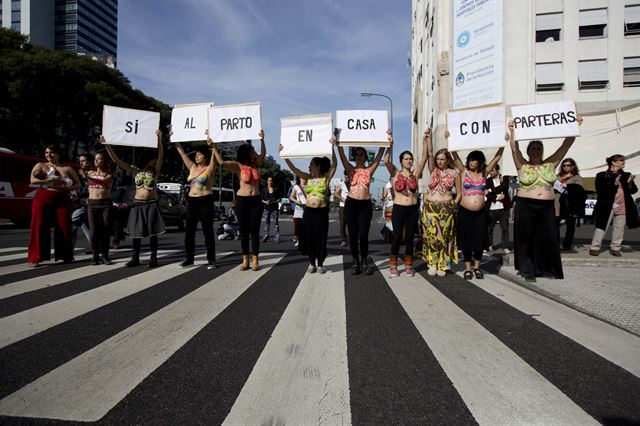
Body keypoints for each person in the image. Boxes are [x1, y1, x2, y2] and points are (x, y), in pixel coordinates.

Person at [508, 115, 583, 282]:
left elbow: (566, 145)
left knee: (548, 236)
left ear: (542, 151)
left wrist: (574, 125)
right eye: (533, 149)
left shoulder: (550, 164)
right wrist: (512, 131)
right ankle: (527, 269)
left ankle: (544, 267)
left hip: (547, 206)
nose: (535, 151)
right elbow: (514, 149)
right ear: (528, 152)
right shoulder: (522, 165)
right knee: (525, 238)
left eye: (538, 149)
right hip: (525, 205)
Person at [102, 130, 165, 268]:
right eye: (153, 159)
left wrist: (159, 140)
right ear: (148, 159)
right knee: (136, 233)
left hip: (151, 204)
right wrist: (107, 145)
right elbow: (116, 160)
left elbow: (161, 155)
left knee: (153, 233)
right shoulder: (136, 171)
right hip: (137, 204)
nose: (155, 161)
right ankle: (135, 257)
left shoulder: (155, 172)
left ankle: (153, 257)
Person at [450, 133, 505, 279]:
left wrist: (503, 142)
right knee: (467, 242)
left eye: (473, 160)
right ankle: (467, 268)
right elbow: (455, 158)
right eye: (469, 159)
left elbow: (497, 158)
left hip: (480, 213)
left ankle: (477, 267)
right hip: (464, 212)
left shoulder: (484, 172)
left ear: (479, 161)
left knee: (479, 240)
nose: (470, 162)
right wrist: (450, 139)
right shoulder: (463, 172)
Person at [212, 131, 266, 271]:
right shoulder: (238, 165)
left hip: (256, 200)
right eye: (253, 150)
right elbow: (222, 163)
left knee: (254, 230)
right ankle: (245, 260)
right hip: (242, 200)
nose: (255, 152)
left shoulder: (256, 164)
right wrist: (214, 147)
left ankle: (255, 260)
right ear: (247, 152)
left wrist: (262, 140)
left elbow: (263, 155)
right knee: (243, 231)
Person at [283, 140, 338, 273]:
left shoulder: (325, 178)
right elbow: (294, 169)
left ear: (318, 166)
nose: (309, 167)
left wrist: (332, 148)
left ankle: (320, 263)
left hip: (321, 213)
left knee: (321, 238)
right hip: (308, 212)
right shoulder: (307, 178)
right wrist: (285, 156)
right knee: (309, 238)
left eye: (311, 165)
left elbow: (335, 165)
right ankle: (312, 262)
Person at [337, 134, 386, 275]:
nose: (359, 156)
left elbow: (379, 155)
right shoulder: (350, 169)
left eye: (361, 154)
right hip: (351, 204)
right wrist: (338, 142)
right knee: (352, 235)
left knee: (363, 235)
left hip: (365, 206)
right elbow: (341, 155)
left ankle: (364, 262)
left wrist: (385, 140)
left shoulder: (369, 170)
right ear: (354, 156)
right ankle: (355, 262)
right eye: (357, 154)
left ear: (365, 156)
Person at [383, 129, 429, 277]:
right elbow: (386, 161)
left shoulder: (415, 174)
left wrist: (425, 140)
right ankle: (394, 265)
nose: (409, 161)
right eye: (406, 159)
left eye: (410, 159)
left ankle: (409, 265)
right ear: (401, 161)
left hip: (412, 210)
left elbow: (424, 158)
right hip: (399, 209)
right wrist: (390, 144)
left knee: (410, 238)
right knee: (397, 238)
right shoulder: (395, 173)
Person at [27, 145, 80, 266]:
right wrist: (50, 180)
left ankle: (65, 255)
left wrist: (67, 187)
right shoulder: (40, 165)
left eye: (51, 152)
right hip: (43, 198)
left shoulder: (68, 168)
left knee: (64, 226)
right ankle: (35, 257)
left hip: (62, 199)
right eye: (46, 152)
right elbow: (33, 181)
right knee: (38, 226)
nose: (48, 155)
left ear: (58, 154)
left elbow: (78, 184)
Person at [421, 131, 461, 276]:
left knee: (444, 236)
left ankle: (442, 264)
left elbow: (460, 193)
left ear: (447, 159)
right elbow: (430, 154)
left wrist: (453, 205)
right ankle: (431, 262)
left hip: (446, 208)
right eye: (438, 159)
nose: (439, 161)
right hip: (430, 207)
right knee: (431, 236)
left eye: (442, 159)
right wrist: (429, 138)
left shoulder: (455, 173)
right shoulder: (433, 170)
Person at [175, 135, 217, 269]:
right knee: (189, 231)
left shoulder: (210, 168)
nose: (197, 156)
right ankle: (189, 257)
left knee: (208, 231)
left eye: (199, 155)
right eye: (196, 155)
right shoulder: (192, 167)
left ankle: (211, 259)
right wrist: (175, 139)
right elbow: (181, 153)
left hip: (206, 200)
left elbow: (215, 157)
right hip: (192, 201)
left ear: (205, 156)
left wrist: (213, 146)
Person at [589, 155, 638, 256]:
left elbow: (634, 191)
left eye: (623, 161)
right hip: (606, 205)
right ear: (613, 162)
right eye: (621, 161)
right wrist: (614, 183)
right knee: (602, 226)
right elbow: (600, 190)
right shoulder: (602, 175)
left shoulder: (626, 175)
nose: (623, 162)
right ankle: (595, 247)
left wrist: (630, 184)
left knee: (619, 228)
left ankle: (615, 248)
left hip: (623, 204)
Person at [86, 152, 115, 265]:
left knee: (105, 230)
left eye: (100, 158)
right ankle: (95, 255)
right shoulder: (90, 172)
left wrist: (88, 177)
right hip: (93, 203)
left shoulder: (109, 174)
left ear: (104, 161)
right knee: (93, 232)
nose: (97, 161)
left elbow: (103, 182)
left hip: (105, 203)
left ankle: (105, 255)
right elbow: (89, 187)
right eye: (96, 159)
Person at [555, 158, 586, 251]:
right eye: (564, 165)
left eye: (568, 165)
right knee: (554, 224)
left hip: (570, 203)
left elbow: (579, 190)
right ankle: (554, 244)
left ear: (573, 166)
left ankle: (567, 245)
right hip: (557, 202)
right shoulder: (558, 176)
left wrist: (568, 186)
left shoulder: (576, 177)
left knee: (570, 225)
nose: (566, 167)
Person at [485, 164, 512, 253]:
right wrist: (496, 198)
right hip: (492, 208)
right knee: (489, 228)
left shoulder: (504, 178)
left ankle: (505, 247)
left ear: (497, 170)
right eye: (490, 171)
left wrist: (491, 190)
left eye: (492, 171)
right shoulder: (488, 181)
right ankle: (489, 245)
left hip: (503, 208)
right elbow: (486, 193)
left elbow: (503, 187)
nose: (491, 172)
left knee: (504, 228)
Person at [71, 153, 92, 252]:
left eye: (83, 161)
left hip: (91, 203)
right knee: (86, 225)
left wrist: (86, 178)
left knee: (74, 223)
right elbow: (78, 188)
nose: (81, 163)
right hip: (82, 203)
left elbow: (93, 188)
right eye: (80, 161)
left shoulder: (93, 173)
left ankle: (69, 251)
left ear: (89, 162)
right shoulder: (79, 174)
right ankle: (95, 247)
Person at [261, 176, 280, 243]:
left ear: (273, 182)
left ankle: (277, 237)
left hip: (274, 209)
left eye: (271, 180)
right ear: (267, 181)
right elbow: (261, 199)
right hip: (266, 209)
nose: (270, 182)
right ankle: (266, 236)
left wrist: (274, 201)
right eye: (269, 180)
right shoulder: (264, 190)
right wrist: (266, 202)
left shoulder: (276, 189)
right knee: (266, 223)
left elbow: (279, 199)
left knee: (276, 223)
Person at [290, 176, 306, 248]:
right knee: (298, 225)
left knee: (306, 225)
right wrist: (297, 201)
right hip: (299, 207)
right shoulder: (296, 187)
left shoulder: (309, 186)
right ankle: (298, 239)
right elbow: (291, 197)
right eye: (302, 176)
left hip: (307, 208)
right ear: (299, 178)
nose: (304, 178)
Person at [333, 172, 349, 247]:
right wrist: (341, 198)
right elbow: (335, 193)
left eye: (347, 177)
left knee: (352, 224)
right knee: (342, 224)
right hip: (343, 206)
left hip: (352, 206)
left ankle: (351, 238)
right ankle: (343, 239)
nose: (346, 178)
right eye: (345, 177)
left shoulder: (354, 183)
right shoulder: (342, 183)